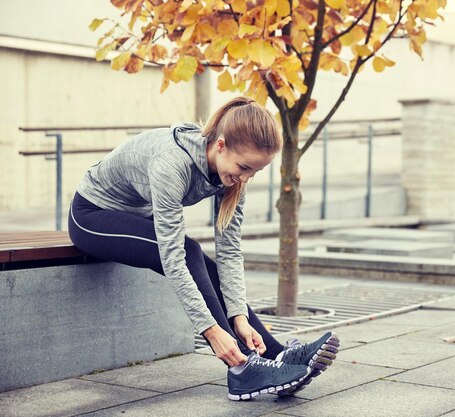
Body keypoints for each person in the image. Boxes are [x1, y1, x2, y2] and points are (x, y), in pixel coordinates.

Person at [68, 96, 340, 400]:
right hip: (92, 218)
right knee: (190, 252)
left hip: (135, 217)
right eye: (244, 167)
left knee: (206, 265)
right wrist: (212, 331)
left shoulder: (233, 174)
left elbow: (230, 250)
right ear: (220, 145)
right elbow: (173, 258)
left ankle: (275, 353)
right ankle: (242, 370)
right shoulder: (171, 162)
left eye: (255, 172)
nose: (246, 178)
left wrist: (238, 315)